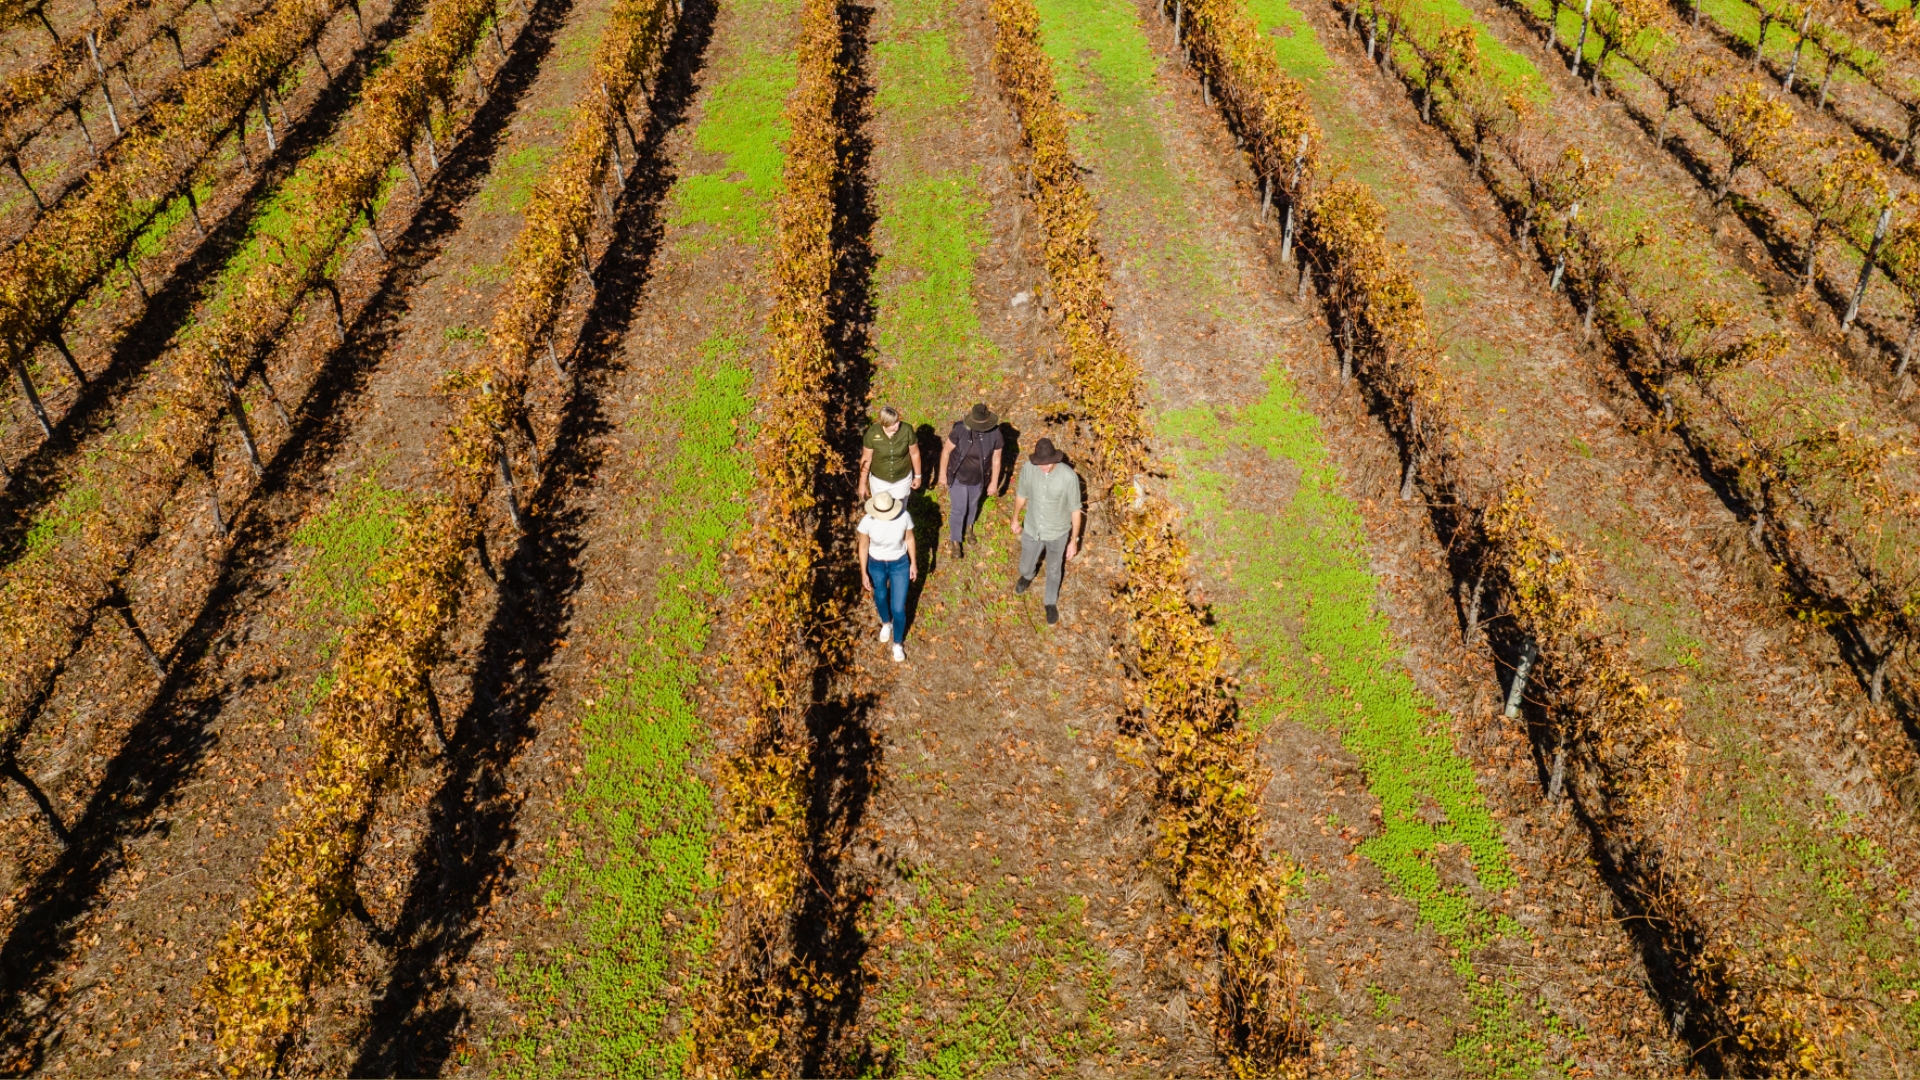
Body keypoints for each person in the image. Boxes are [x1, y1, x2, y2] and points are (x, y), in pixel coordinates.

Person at [1009, 437, 1082, 626]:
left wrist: (1073, 540)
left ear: (1055, 458)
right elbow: (1021, 495)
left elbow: (1075, 510)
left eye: (1047, 463)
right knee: (1024, 566)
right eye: (1040, 463)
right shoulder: (1029, 469)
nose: (1044, 467)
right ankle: (1028, 575)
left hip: (1058, 532)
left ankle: (1050, 602)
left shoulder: (1068, 477)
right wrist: (1015, 518)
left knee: (1054, 569)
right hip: (1033, 528)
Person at [857, 489, 917, 662]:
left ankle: (898, 643)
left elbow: (910, 539)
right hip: (876, 564)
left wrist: (913, 562)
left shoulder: (904, 517)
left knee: (898, 607)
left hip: (899, 564)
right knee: (881, 596)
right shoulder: (867, 522)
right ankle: (886, 623)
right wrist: (864, 573)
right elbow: (863, 547)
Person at [938, 402, 1003, 559]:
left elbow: (996, 459)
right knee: (959, 508)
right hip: (958, 476)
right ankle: (955, 540)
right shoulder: (960, 430)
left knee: (972, 504)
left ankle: (968, 527)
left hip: (979, 478)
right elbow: (946, 452)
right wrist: (942, 474)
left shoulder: (995, 433)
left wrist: (994, 482)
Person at [859, 405, 921, 501]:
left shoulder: (907, 430)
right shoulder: (872, 433)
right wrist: (862, 483)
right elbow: (866, 459)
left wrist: (918, 476)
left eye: (898, 421)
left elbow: (915, 453)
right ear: (884, 424)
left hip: (902, 480)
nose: (898, 424)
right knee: (882, 511)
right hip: (879, 482)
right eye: (894, 423)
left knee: (899, 511)